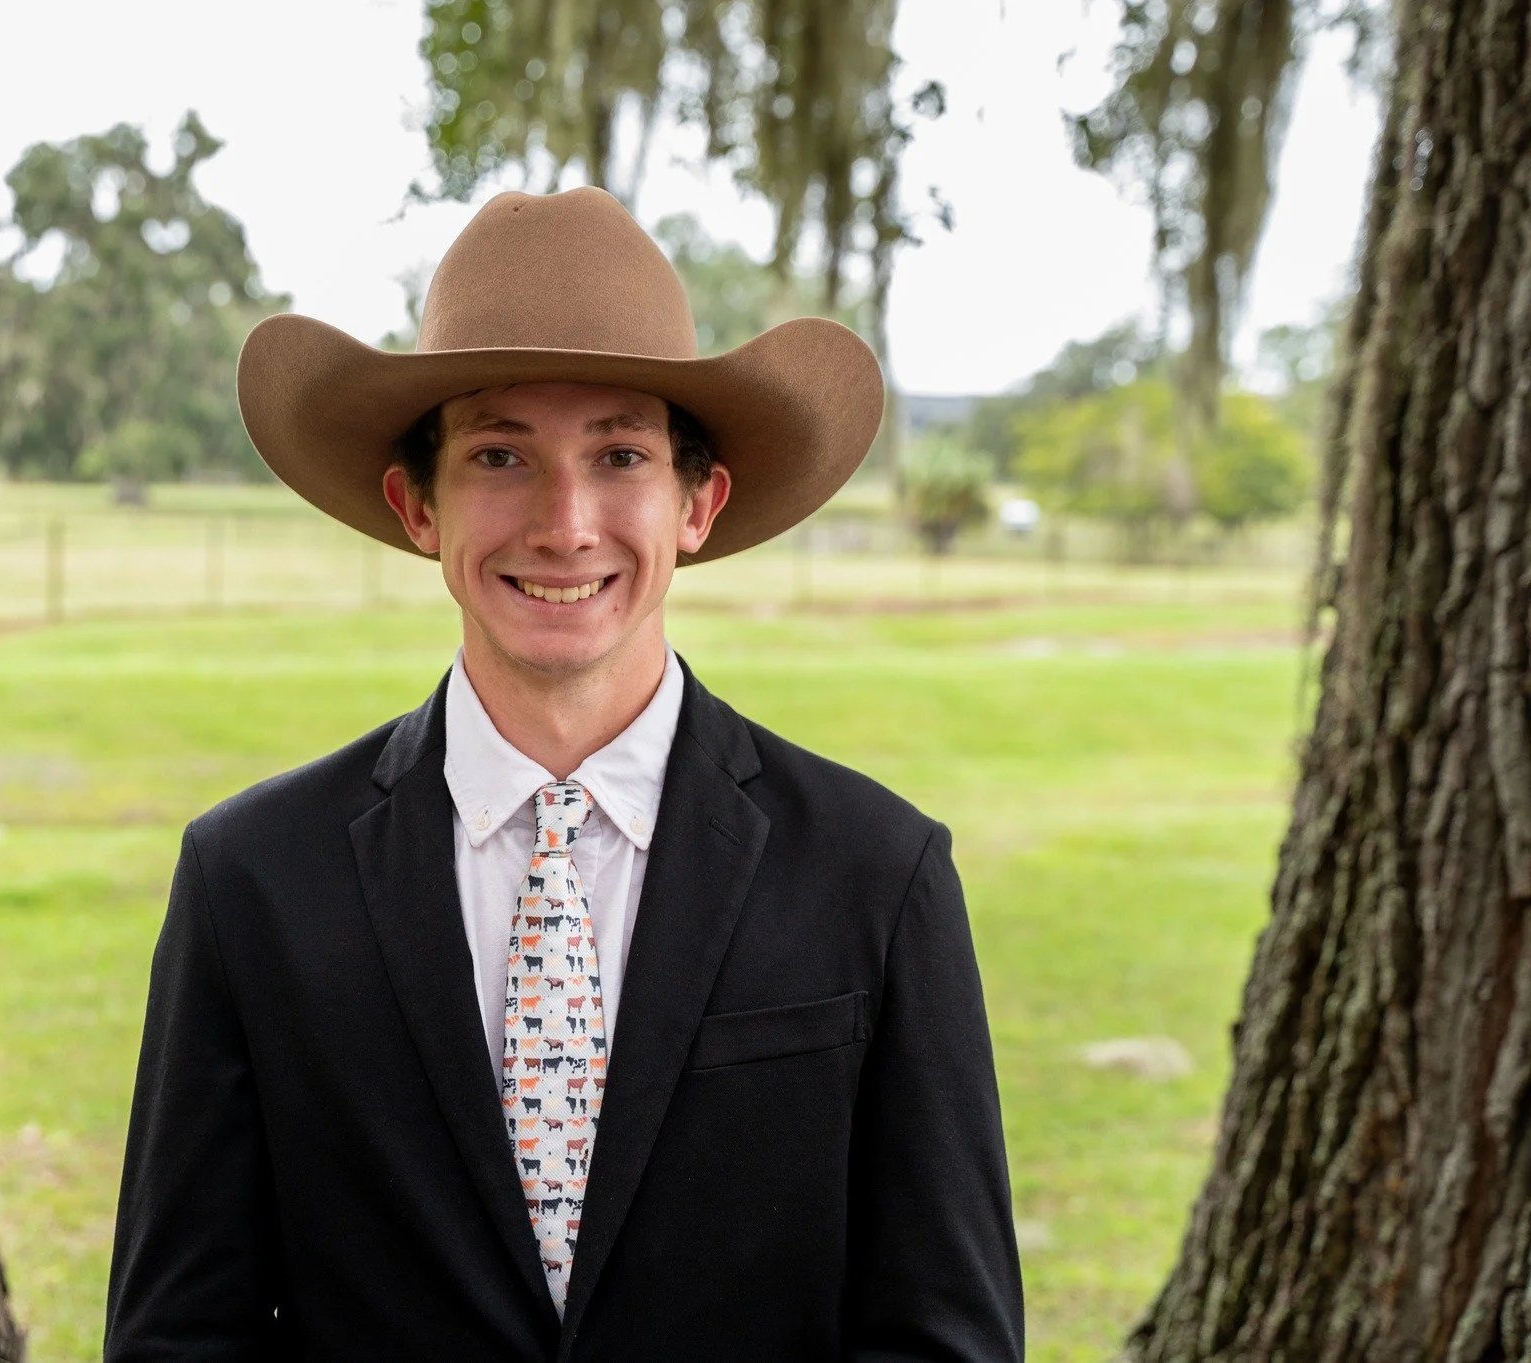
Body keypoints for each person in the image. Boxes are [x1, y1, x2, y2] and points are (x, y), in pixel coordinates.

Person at [104, 187, 1024, 1361]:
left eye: (619, 454)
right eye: (499, 455)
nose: (564, 521)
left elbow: (945, 1339)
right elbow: (181, 1336)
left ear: (696, 502)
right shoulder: (250, 882)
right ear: (415, 505)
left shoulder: (875, 872)